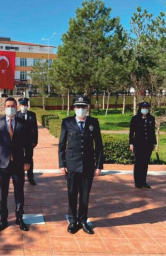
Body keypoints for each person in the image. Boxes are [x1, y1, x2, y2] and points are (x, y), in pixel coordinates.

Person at [58, 96, 103, 235]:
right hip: (71, 165)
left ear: (87, 108)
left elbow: (99, 146)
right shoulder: (67, 122)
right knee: (72, 194)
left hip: (88, 165)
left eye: (84, 107)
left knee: (84, 195)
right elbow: (61, 145)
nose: (81, 110)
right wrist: (62, 164)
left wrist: (98, 166)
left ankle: (83, 221)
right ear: (74, 108)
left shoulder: (93, 122)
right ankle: (73, 221)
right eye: (78, 107)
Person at [0, 97, 31, 232]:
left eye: (13, 106)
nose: (10, 108)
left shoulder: (23, 123)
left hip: (18, 163)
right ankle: (3, 219)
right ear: (4, 107)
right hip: (2, 164)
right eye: (8, 105)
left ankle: (19, 218)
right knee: (3, 193)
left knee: (19, 192)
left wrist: (27, 160)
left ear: (16, 107)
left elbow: (28, 144)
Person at [129, 102, 156, 189]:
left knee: (145, 163)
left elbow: (152, 132)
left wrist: (154, 143)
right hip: (138, 144)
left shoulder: (151, 118)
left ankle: (143, 181)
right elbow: (131, 132)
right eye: (143, 107)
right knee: (138, 163)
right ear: (140, 108)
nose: (145, 109)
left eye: (147, 108)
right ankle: (137, 182)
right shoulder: (135, 119)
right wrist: (131, 143)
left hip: (148, 144)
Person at [16, 98, 38, 185]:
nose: (23, 107)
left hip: (29, 141)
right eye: (22, 105)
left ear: (27, 105)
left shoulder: (32, 115)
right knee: (19, 159)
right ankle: (20, 177)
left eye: (25, 105)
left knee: (29, 159)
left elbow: (35, 129)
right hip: (19, 141)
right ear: (19, 106)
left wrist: (35, 140)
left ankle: (30, 177)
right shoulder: (16, 114)